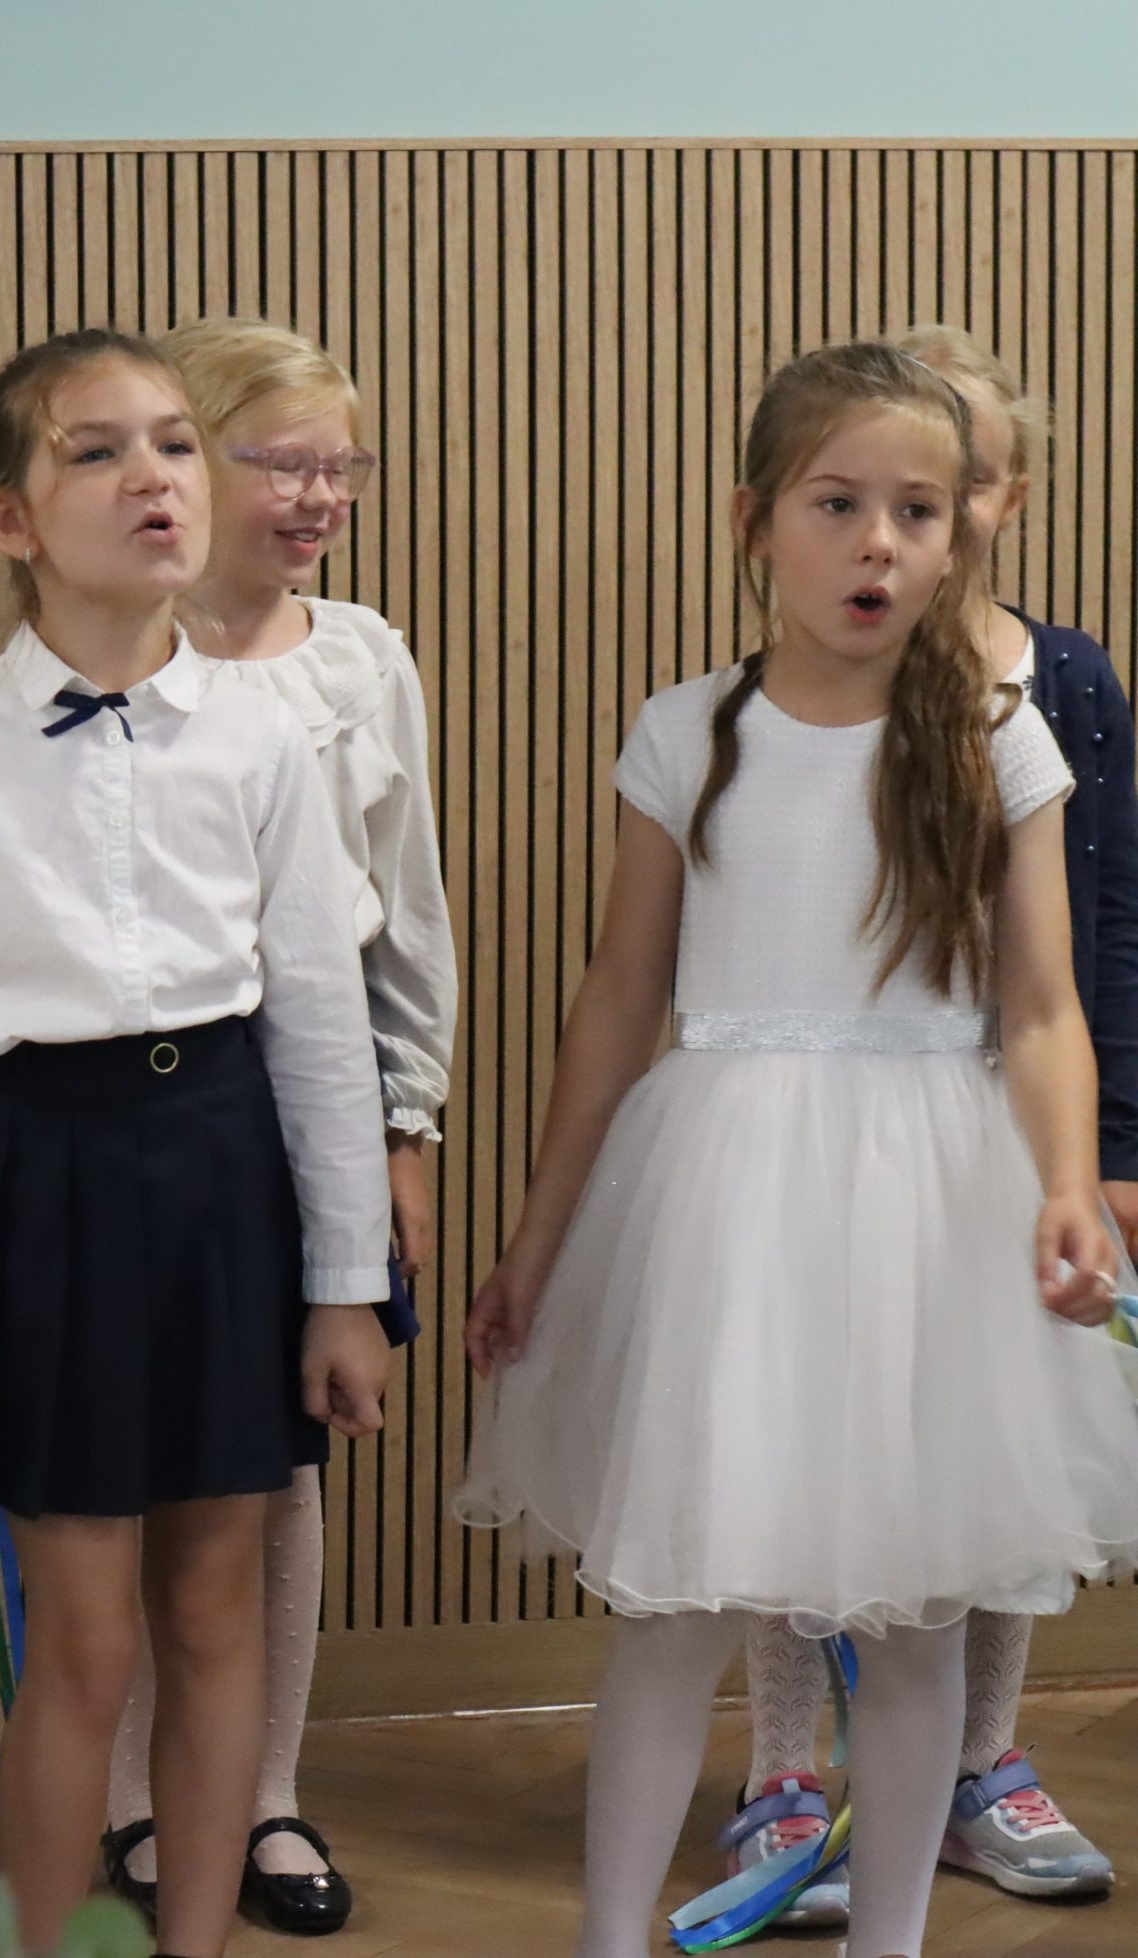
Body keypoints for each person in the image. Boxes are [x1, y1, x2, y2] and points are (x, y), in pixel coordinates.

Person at [452, 341, 1138, 1958]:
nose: (879, 542)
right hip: (728, 1195)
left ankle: (888, 1939)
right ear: (756, 521)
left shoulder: (1000, 735)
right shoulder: (689, 731)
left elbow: (1041, 1004)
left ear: (963, 533)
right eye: (839, 504)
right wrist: (539, 1238)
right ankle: (611, 1935)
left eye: (919, 510)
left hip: (931, 1192)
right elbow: (619, 997)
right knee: (680, 1601)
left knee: (916, 1614)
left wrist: (1066, 1182)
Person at [0, 327, 396, 1958]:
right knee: (83, 1640)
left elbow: (319, 1022)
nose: (152, 476)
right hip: (39, 1174)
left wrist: (346, 1283)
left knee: (217, 1616)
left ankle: (195, 1940)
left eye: (172, 443)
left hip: (221, 1169)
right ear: (7, 518)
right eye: (97, 450)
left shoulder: (266, 733)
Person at [730, 322, 1138, 1926]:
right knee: (797, 1453)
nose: (908, 521)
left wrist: (1107, 1151)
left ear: (999, 498)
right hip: (826, 1133)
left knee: (989, 1457)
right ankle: (784, 1773)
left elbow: (1102, 932)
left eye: (952, 483)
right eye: (870, 487)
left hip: (1003, 1132)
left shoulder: (1065, 683)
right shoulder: (791, 690)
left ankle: (979, 1760)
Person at [102, 316, 456, 1938]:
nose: (319, 496)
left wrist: (406, 1122)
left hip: (314, 1099)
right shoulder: (114, 642)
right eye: (284, 462)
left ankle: (264, 1792)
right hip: (138, 1098)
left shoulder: (363, 660)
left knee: (279, 1457)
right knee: (126, 1456)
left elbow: (408, 912)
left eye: (342, 467)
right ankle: (134, 1797)